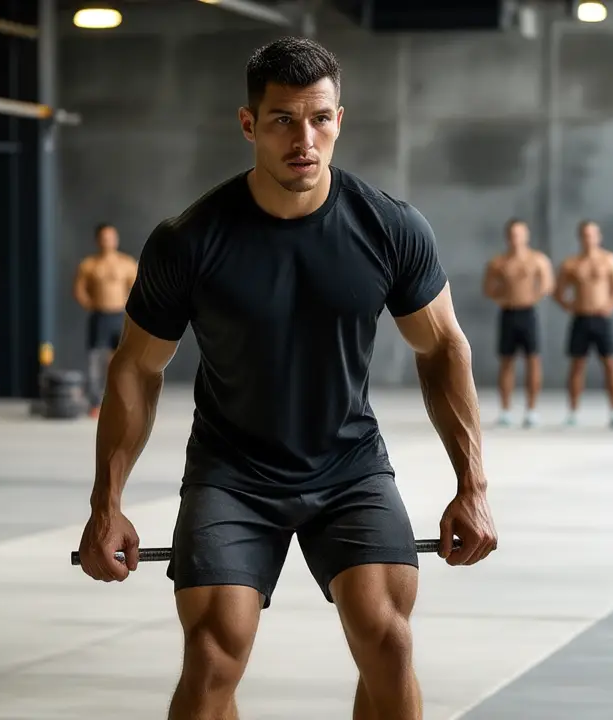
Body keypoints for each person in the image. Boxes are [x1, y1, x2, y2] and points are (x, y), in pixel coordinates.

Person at [76, 37, 498, 720]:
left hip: (350, 467)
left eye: (320, 118)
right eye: (282, 120)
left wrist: (472, 487)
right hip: (232, 473)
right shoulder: (189, 240)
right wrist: (107, 502)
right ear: (249, 124)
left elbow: (443, 346)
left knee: (387, 639)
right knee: (214, 653)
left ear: (339, 118)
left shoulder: (388, 227)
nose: (305, 138)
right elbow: (137, 366)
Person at [552, 220, 613, 429]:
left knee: (611, 365)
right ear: (580, 237)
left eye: (592, 234)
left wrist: (610, 305)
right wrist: (570, 305)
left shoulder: (610, 260)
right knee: (577, 366)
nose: (589, 238)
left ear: (598, 236)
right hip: (581, 318)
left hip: (602, 319)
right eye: (585, 235)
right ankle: (573, 412)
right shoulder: (571, 264)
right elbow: (558, 291)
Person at [481, 219, 554, 428]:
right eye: (512, 234)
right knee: (506, 362)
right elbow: (488, 288)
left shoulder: (538, 260)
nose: (516, 238)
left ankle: (531, 410)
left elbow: (547, 284)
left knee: (533, 360)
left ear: (526, 235)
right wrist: (504, 297)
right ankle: (505, 410)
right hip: (508, 313)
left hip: (528, 313)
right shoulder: (499, 262)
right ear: (507, 237)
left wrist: (531, 296)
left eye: (520, 233)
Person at [73, 223, 139, 418]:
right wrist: (90, 304)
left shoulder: (126, 263)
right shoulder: (89, 265)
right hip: (99, 316)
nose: (108, 241)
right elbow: (79, 289)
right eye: (104, 237)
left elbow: (137, 287)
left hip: (120, 316)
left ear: (116, 239)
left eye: (111, 237)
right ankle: (95, 402)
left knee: (123, 360)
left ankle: (122, 401)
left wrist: (128, 305)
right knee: (95, 361)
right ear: (98, 240)